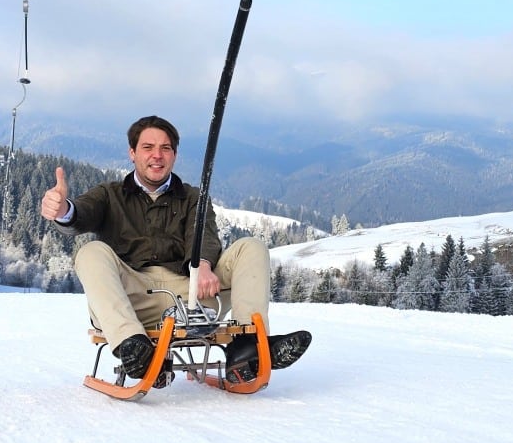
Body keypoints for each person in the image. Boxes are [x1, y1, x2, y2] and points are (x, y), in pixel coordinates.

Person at [40, 114, 311, 382]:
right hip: (132, 299)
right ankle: (133, 348)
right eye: (148, 147)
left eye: (165, 148)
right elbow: (82, 213)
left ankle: (247, 344)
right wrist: (64, 210)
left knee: (250, 247)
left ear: (174, 155)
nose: (157, 155)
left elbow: (204, 233)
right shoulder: (109, 195)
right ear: (132, 153)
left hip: (190, 299)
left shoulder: (192, 197)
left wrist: (203, 265)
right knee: (90, 252)